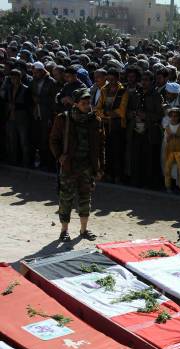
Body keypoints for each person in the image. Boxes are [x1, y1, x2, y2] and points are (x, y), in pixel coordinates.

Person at [49, 88, 105, 242]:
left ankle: (83, 230)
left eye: (89, 103)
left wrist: (100, 168)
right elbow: (53, 140)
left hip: (87, 167)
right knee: (66, 198)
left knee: (85, 198)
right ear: (75, 104)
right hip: (69, 166)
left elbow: (100, 146)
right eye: (84, 103)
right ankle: (64, 231)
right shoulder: (64, 119)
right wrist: (60, 156)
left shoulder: (95, 121)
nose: (87, 106)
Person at [96, 68, 128, 183]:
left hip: (118, 126)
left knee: (118, 151)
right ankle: (108, 174)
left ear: (118, 78)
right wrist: (107, 114)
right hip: (106, 125)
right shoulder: (104, 90)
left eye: (113, 79)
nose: (110, 82)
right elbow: (98, 108)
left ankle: (118, 176)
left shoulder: (123, 91)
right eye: (108, 79)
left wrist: (106, 113)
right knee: (107, 151)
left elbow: (121, 111)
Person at [31, 61, 58, 171]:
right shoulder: (34, 81)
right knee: (37, 139)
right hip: (36, 114)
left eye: (36, 72)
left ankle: (48, 164)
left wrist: (40, 100)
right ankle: (41, 162)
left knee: (46, 140)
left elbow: (53, 100)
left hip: (46, 115)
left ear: (41, 71)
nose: (34, 74)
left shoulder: (51, 82)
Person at [2, 69, 31, 167]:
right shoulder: (8, 88)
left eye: (15, 78)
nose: (13, 80)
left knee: (24, 142)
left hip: (22, 119)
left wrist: (16, 106)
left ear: (19, 78)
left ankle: (26, 162)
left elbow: (28, 105)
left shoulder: (26, 89)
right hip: (10, 118)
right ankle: (13, 160)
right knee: (11, 141)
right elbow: (5, 101)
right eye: (12, 78)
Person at [163, 107, 180, 194]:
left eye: (176, 116)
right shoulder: (167, 127)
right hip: (169, 151)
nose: (174, 118)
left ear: (178, 117)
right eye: (172, 116)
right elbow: (165, 140)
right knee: (167, 170)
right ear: (170, 117)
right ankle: (168, 187)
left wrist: (179, 138)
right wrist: (169, 138)